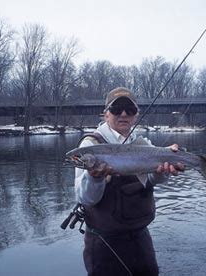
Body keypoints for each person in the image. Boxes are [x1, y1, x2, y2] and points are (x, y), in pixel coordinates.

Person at [74, 87, 184, 276]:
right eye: (116, 109)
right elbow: (85, 198)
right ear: (106, 114)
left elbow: (150, 179)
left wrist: (163, 171)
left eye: (130, 109)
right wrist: (95, 178)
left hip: (140, 235)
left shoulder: (143, 144)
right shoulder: (90, 146)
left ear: (136, 114)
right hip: (104, 242)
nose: (123, 114)